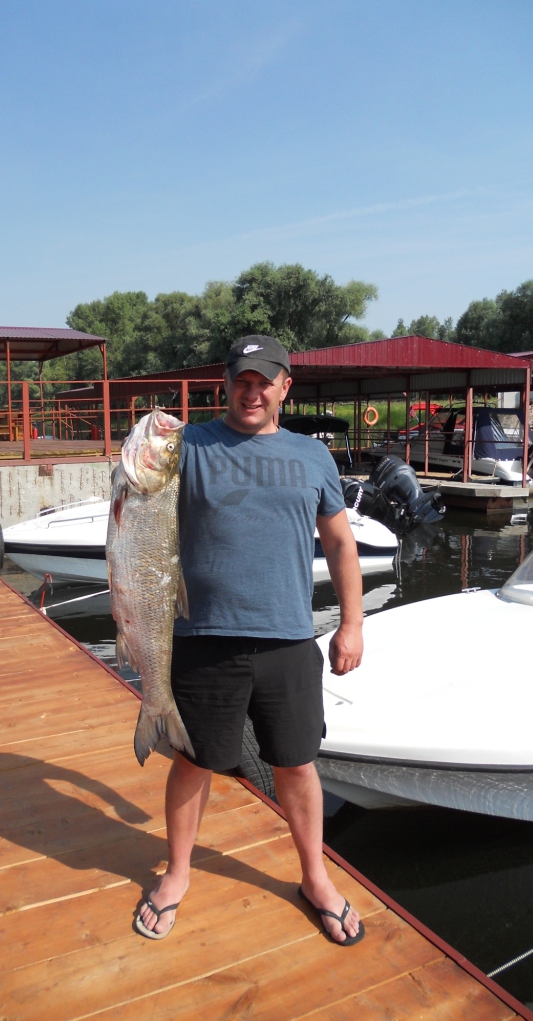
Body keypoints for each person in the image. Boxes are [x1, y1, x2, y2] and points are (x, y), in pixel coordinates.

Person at [135, 334, 365, 945]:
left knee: (297, 764)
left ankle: (315, 877)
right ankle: (177, 872)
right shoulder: (189, 445)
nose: (252, 392)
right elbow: (140, 487)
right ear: (227, 384)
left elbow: (340, 543)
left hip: (288, 638)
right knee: (193, 763)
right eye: (242, 380)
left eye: (265, 382)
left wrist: (352, 623)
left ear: (286, 386)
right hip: (203, 636)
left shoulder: (313, 456)